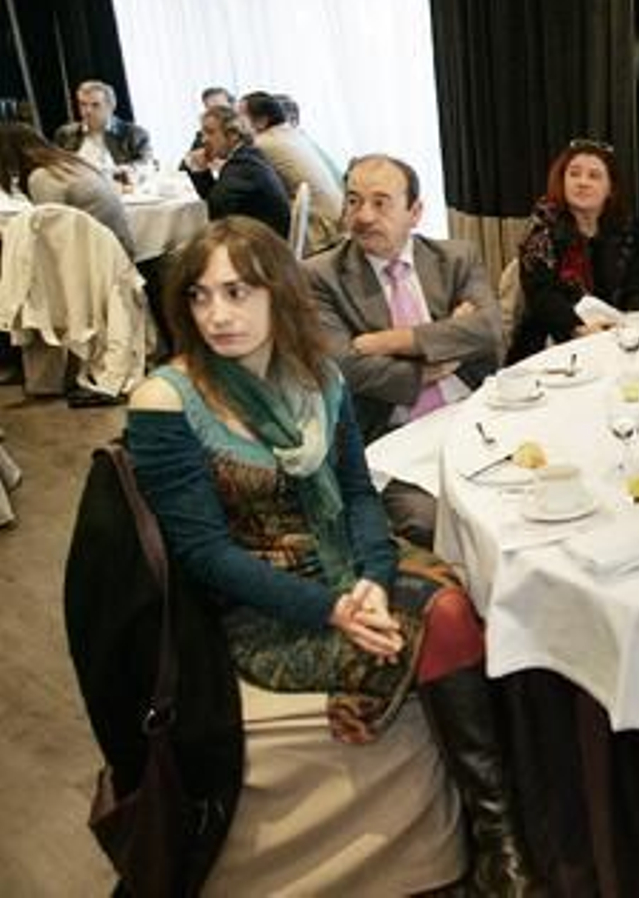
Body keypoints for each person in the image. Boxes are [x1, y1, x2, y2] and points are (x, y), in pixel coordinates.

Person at [124, 218, 532, 892]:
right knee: (440, 621)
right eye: (200, 296)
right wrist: (331, 607)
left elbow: (357, 492)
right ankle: (499, 837)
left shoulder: (318, 377)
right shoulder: (168, 401)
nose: (218, 315)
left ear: (278, 292)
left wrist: (371, 577)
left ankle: (496, 833)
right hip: (259, 604)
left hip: (345, 565)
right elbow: (204, 554)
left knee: (463, 601)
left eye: (237, 292)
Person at [305, 153, 501, 543]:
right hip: (394, 432)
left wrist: (389, 342)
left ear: (415, 212)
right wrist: (437, 360)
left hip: (476, 416)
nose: (362, 217)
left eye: (380, 202)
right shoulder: (319, 276)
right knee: (432, 524)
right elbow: (344, 366)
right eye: (354, 200)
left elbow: (491, 329)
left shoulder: (456, 258)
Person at [505, 138, 639, 364]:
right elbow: (542, 297)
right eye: (574, 174)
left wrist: (629, 323)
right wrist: (578, 329)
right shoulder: (541, 227)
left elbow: (638, 285)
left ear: (610, 188)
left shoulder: (625, 226)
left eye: (594, 176)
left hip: (616, 334)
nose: (582, 182)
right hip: (553, 341)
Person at [0, 121, 135, 258]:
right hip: (117, 250)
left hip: (101, 260)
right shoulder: (67, 163)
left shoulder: (42, 176)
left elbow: (53, 235)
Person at [238, 91, 344, 252]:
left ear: (261, 121)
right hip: (337, 217)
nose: (235, 122)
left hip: (320, 226)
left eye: (240, 116)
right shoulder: (290, 133)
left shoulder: (264, 144)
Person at [185, 106, 292, 237]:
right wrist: (201, 170)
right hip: (264, 236)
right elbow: (215, 200)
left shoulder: (243, 166)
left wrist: (200, 170)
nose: (203, 140)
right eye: (203, 133)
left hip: (262, 246)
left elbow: (217, 213)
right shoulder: (247, 155)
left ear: (233, 135)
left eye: (210, 132)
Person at [52, 79, 155, 186]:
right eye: (83, 104)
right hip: (77, 189)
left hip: (118, 190)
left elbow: (146, 164)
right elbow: (56, 165)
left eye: (95, 105)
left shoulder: (134, 134)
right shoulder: (65, 134)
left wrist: (127, 171)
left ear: (110, 106)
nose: (88, 111)